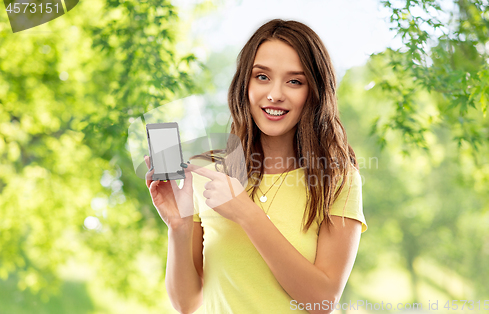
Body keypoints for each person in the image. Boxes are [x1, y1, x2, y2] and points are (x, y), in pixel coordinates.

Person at [144, 19, 367, 314]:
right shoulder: (208, 173)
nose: (274, 94)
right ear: (244, 85)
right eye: (262, 77)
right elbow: (187, 304)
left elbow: (322, 301)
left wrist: (246, 213)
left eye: (294, 81)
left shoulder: (337, 179)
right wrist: (179, 226)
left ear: (314, 92)